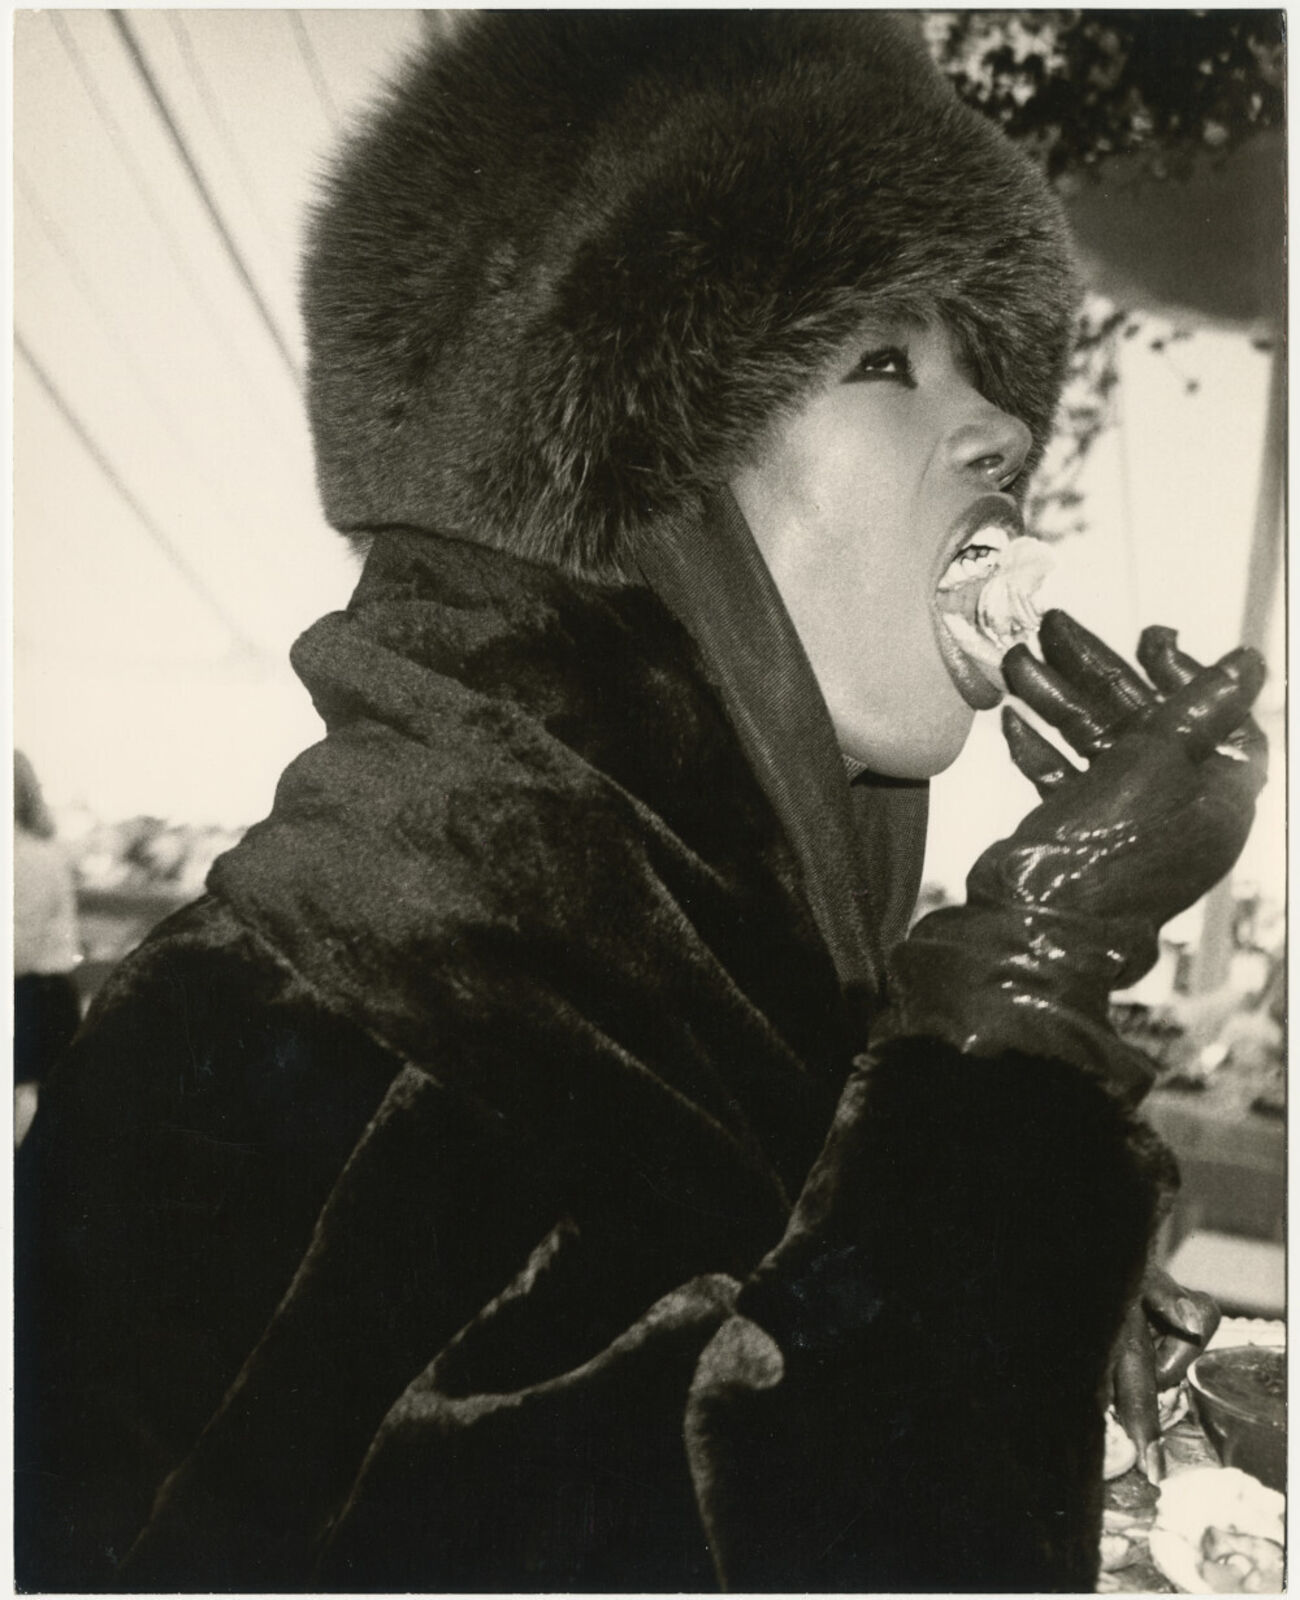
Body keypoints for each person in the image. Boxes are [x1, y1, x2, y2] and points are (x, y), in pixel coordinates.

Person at [15, 14, 1265, 1592]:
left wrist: (1027, 1276)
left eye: (987, 368)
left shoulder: (667, 977)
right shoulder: (348, 1021)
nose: (1011, 431)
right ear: (637, 497)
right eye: (886, 358)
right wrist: (1025, 993)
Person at [13, 751, 82, 1143]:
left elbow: (19, 944)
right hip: (31, 990)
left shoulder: (32, 856)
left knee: (28, 1100)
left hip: (35, 995)